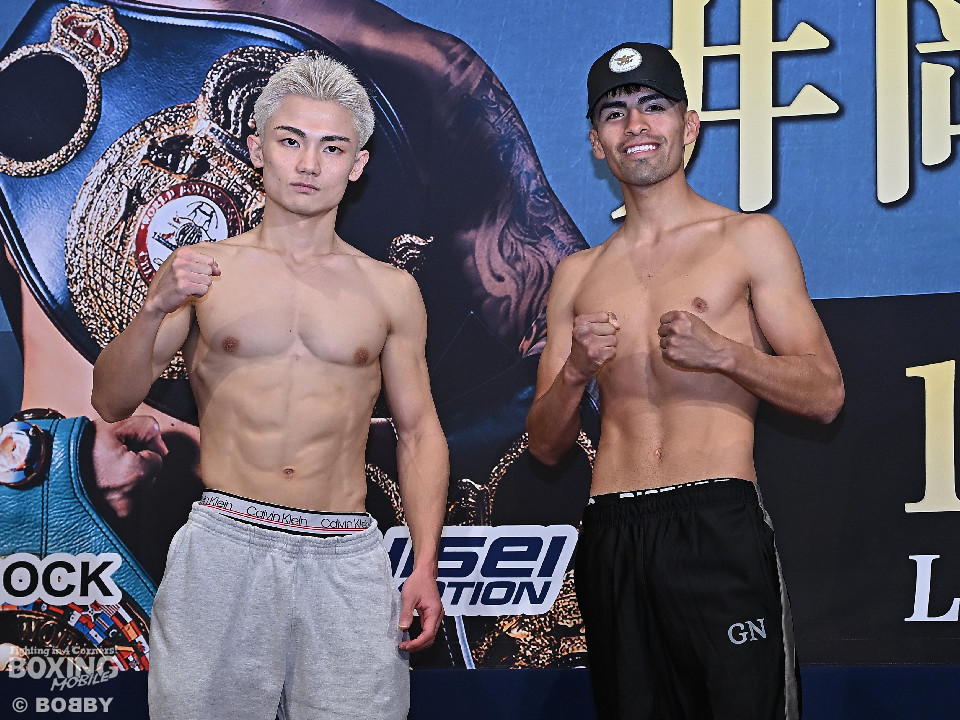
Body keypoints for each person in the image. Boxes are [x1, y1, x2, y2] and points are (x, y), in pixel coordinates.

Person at [92, 52, 448, 720]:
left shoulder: (391, 290)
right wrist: (153, 309)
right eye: (291, 141)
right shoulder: (204, 270)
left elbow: (420, 430)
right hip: (225, 542)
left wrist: (424, 562)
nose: (309, 164)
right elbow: (110, 401)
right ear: (258, 150)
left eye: (332, 147)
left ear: (357, 164)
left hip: (346, 553)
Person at [526, 42, 844, 720]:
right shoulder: (577, 275)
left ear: (688, 125)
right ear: (596, 142)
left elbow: (825, 393)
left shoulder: (748, 238)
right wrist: (576, 371)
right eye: (615, 113)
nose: (635, 126)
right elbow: (545, 446)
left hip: (715, 518)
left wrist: (725, 354)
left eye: (653, 106)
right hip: (613, 528)